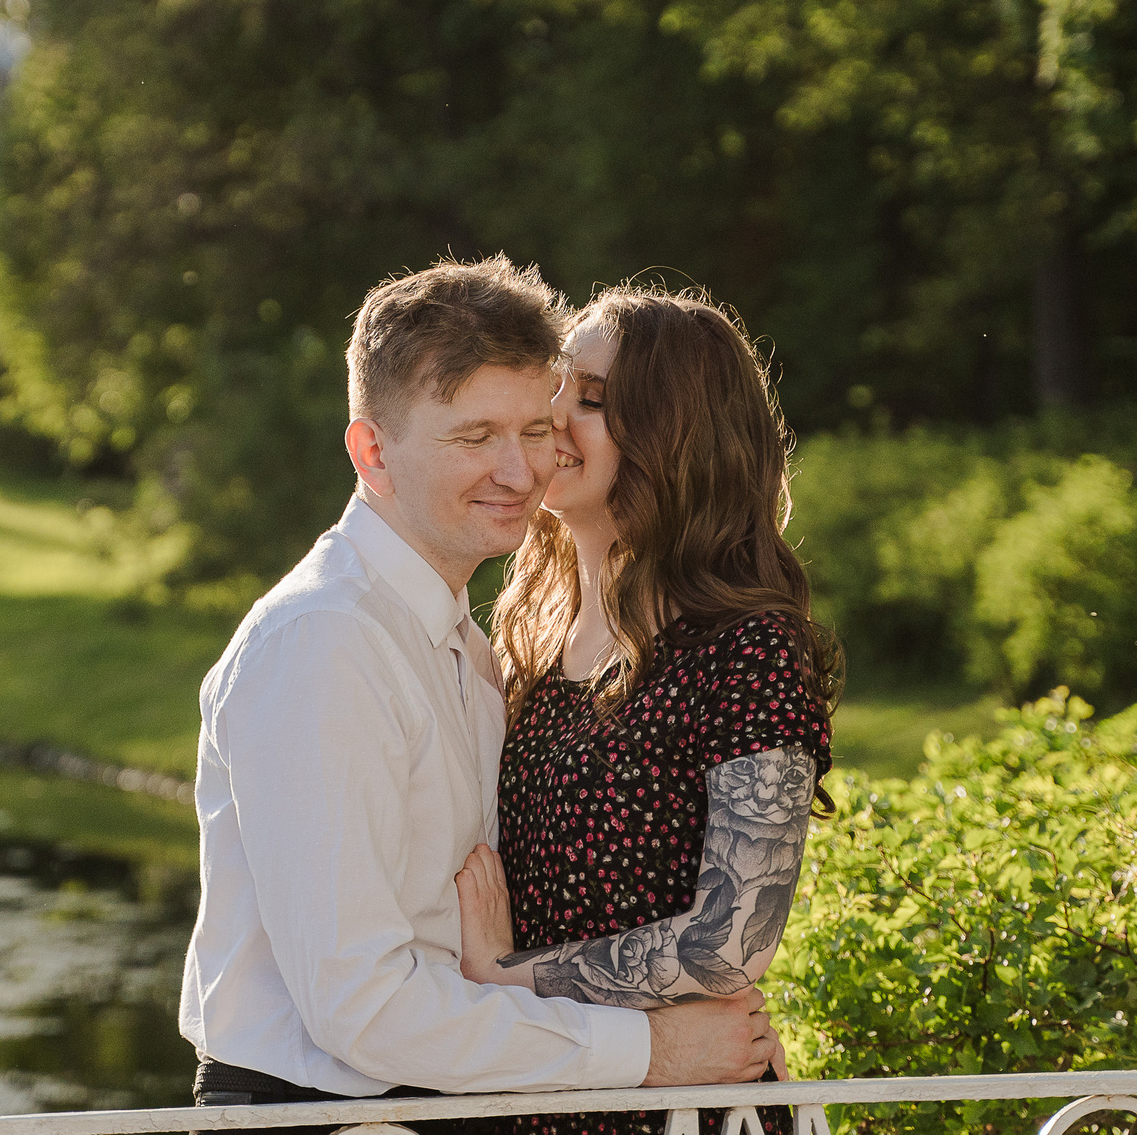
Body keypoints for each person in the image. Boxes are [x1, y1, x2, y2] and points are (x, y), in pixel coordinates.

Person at [180, 258, 786, 1122]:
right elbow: (363, 1006)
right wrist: (651, 1052)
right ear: (372, 449)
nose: (519, 470)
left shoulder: (470, 645)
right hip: (320, 1111)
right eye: (473, 437)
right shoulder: (325, 642)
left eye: (534, 428)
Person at [451, 285, 840, 1135]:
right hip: (552, 1091)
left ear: (675, 437)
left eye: (591, 399)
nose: (556, 420)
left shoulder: (749, 648)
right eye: (557, 390)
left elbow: (732, 939)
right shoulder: (528, 631)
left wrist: (508, 973)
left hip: (689, 1107)